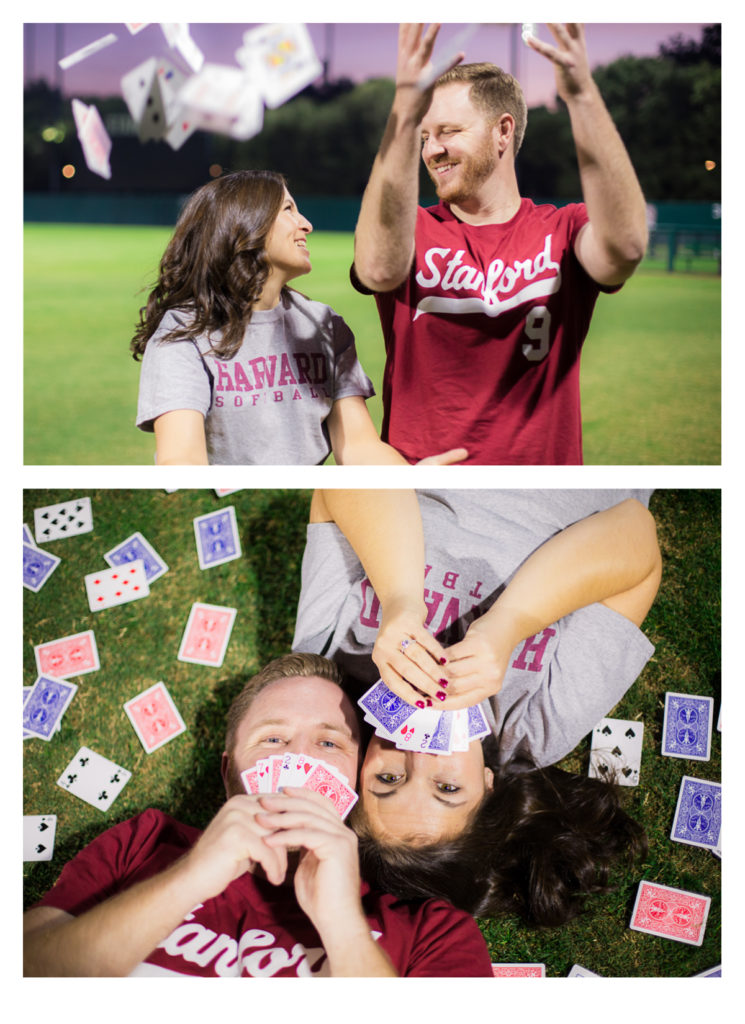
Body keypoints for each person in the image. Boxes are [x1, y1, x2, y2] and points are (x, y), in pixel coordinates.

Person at [292, 489, 662, 924]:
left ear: (358, 769)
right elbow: (636, 531)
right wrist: (510, 625)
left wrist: (399, 600)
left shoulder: (328, 661)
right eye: (447, 788)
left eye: (389, 778)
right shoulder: (537, 724)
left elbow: (341, 487)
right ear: (489, 786)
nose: (418, 754)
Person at [23, 653, 493, 977]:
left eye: (329, 743)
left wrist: (344, 928)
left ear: (356, 782)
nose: (299, 758)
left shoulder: (433, 931)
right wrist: (190, 878)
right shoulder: (145, 841)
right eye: (272, 740)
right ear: (230, 774)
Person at [352, 24, 649, 464]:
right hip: (423, 491)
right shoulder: (410, 228)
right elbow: (378, 268)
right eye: (423, 136)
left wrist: (583, 96)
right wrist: (402, 114)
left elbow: (624, 249)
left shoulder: (563, 229)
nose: (431, 150)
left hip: (539, 490)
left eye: (448, 130)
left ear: (503, 132)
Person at [132, 169, 465, 466]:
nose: (307, 224)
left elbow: (359, 448)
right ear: (245, 222)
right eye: (288, 209)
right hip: (235, 514)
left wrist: (408, 480)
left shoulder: (323, 325)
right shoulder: (186, 331)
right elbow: (182, 459)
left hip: (313, 516)